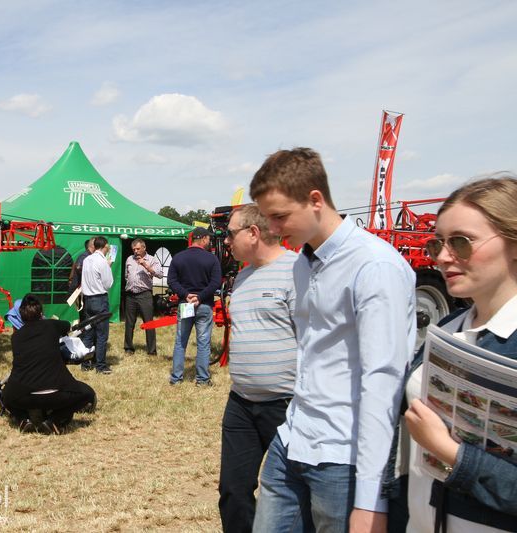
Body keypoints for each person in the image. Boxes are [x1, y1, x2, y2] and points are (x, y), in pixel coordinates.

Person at [250, 147, 416, 532]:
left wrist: (371, 498)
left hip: (344, 454)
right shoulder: (304, 262)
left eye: (280, 216)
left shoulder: (375, 267)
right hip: (293, 437)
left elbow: (383, 380)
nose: (273, 230)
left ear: (315, 200)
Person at [390, 175, 517, 532]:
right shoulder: (447, 328)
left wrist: (453, 455)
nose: (443, 257)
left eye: (461, 242)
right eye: (437, 244)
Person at [218, 204, 298, 533]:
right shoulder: (243, 274)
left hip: (287, 405)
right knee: (233, 491)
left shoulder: (298, 272)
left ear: (253, 233)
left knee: (288, 494)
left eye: (230, 233)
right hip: (241, 402)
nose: (225, 241)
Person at [3, 294, 97, 434]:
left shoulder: (16, 337)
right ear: (41, 313)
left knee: (6, 395)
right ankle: (54, 420)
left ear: (21, 317)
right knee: (86, 394)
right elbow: (66, 326)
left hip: (23, 395)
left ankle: (23, 420)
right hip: (55, 393)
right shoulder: (51, 325)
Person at [167, 226, 222, 386]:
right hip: (204, 305)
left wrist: (186, 294)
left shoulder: (178, 257)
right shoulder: (211, 259)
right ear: (203, 239)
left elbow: (171, 281)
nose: (209, 241)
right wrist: (200, 296)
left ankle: (176, 378)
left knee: (180, 341)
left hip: (186, 304)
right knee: (203, 342)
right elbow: (216, 282)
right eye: (209, 239)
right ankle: (202, 380)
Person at [123, 238, 162, 355]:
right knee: (129, 322)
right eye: (134, 249)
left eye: (138, 249)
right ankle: (128, 348)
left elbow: (160, 274)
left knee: (149, 322)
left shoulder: (152, 259)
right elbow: (126, 275)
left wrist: (145, 265)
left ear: (144, 248)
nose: (136, 251)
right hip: (130, 295)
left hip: (144, 295)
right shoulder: (129, 259)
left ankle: (151, 350)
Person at [81, 236, 114, 374]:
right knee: (101, 334)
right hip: (99, 299)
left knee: (88, 332)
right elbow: (108, 284)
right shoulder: (102, 261)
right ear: (105, 246)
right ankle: (100, 365)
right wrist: (108, 266)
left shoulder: (87, 259)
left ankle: (85, 363)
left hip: (87, 299)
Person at [69, 238, 94, 322]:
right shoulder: (85, 256)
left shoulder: (87, 255)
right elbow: (78, 267)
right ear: (92, 246)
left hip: (81, 290)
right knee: (84, 314)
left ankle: (84, 332)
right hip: (80, 290)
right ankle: (84, 333)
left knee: (84, 313)